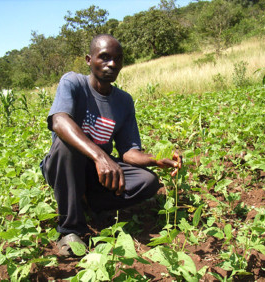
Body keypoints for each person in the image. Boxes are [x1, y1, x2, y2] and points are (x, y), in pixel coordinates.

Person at [40, 34, 181, 256]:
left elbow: (128, 152)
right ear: (89, 59)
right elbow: (59, 121)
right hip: (65, 165)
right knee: (66, 145)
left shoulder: (123, 100)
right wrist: (100, 156)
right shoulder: (73, 83)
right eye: (104, 57)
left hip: (98, 172)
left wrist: (155, 159)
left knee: (147, 180)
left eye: (118, 59)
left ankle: (87, 202)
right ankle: (70, 229)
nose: (112, 64)